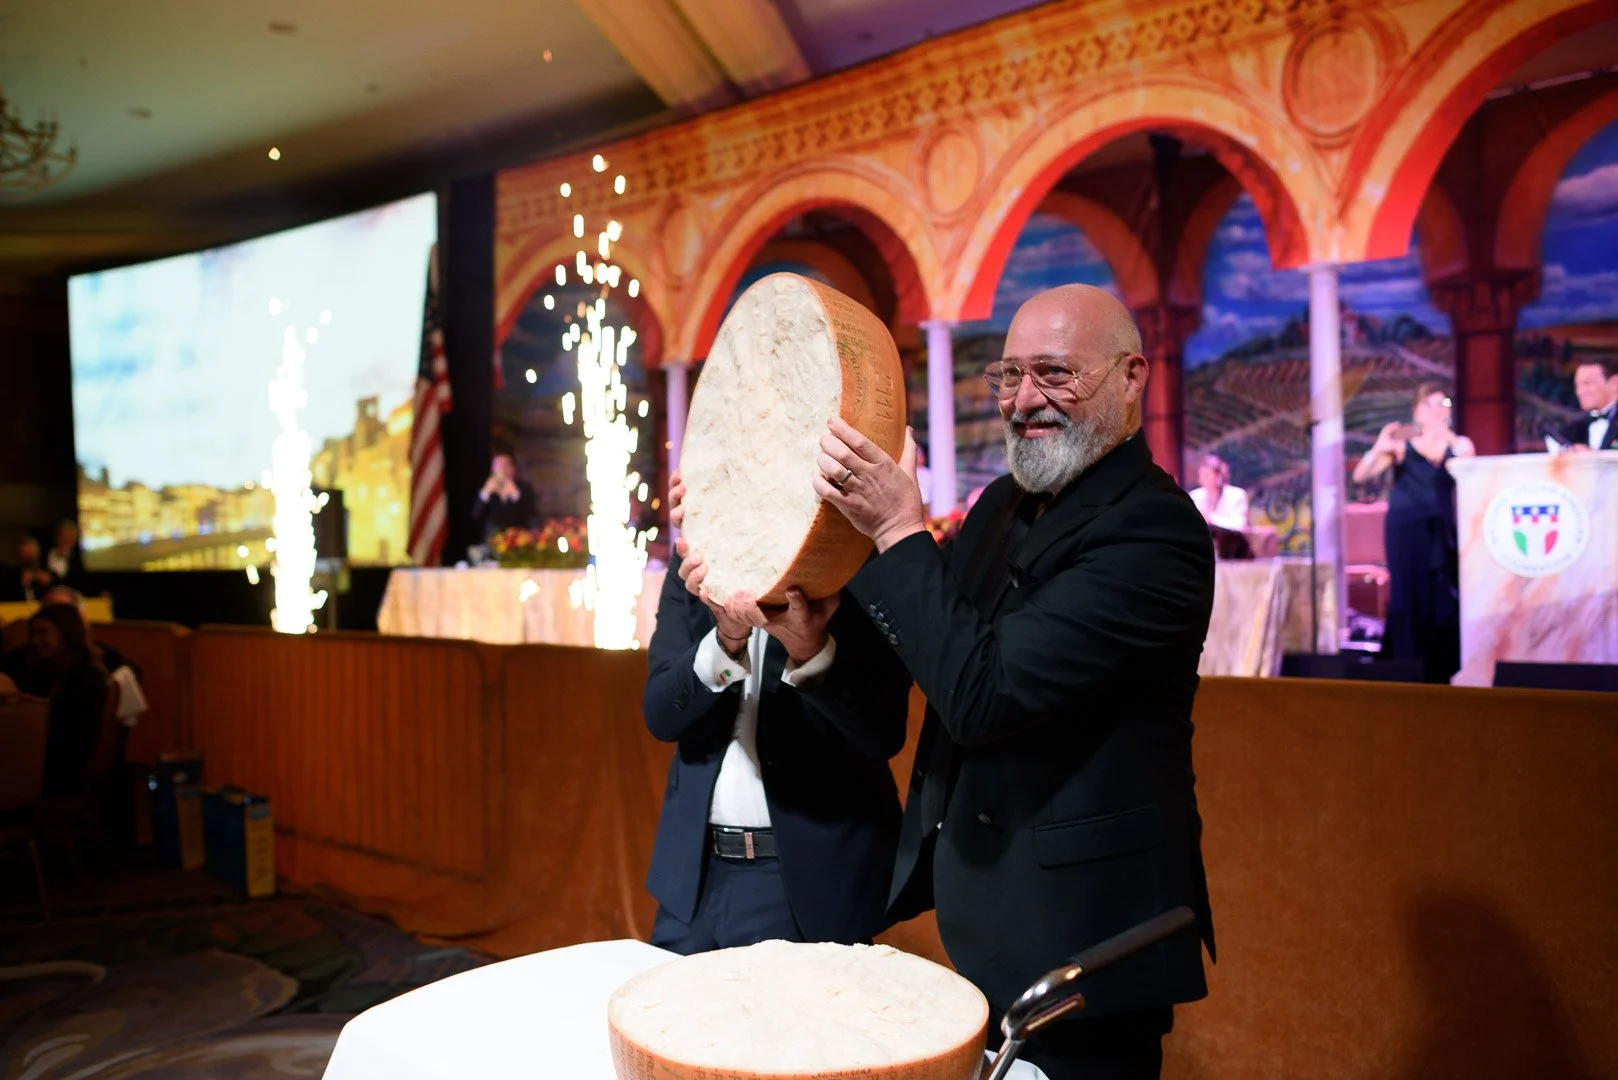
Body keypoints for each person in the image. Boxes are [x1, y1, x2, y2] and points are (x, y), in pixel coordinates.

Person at [809, 284, 1216, 1080]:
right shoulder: (1000, 505)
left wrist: (897, 528)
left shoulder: (1157, 531)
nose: (1024, 400)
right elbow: (924, 656)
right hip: (986, 925)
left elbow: (981, 697)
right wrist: (809, 644)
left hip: (1086, 949)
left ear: (1133, 377)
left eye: (1056, 374)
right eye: (1008, 375)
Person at [641, 470, 913, 953]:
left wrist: (809, 649)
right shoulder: (699, 565)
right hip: (693, 882)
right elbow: (661, 715)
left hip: (809, 884)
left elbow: (883, 731)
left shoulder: (856, 558)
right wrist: (726, 641)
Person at [1352, 383, 1475, 683]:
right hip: (1405, 529)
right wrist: (1379, 446)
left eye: (1442, 403)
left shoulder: (1459, 443)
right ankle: (1407, 663)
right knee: (1407, 592)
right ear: (1416, 410)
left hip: (1441, 530)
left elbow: (1470, 465)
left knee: (1442, 593)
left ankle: (1440, 667)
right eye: (1429, 405)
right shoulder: (1400, 445)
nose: (1436, 410)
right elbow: (1361, 475)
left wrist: (1444, 433)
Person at [1, 603, 109, 799]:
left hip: (60, 772)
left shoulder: (86, 677)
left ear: (66, 635)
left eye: (43, 633)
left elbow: (75, 738)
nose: (35, 641)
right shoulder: (31, 666)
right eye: (32, 634)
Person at [469, 452, 536, 542]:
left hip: (518, 540)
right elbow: (476, 515)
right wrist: (486, 493)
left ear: (512, 468)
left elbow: (531, 515)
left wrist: (515, 494)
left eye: (505, 465)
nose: (501, 470)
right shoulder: (485, 488)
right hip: (493, 541)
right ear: (493, 469)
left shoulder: (524, 488)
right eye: (498, 466)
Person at [1559, 357, 1618, 451]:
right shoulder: (1573, 428)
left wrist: (1594, 458)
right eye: (1577, 385)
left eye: (1588, 384)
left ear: (1615, 383)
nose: (1580, 392)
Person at [1187, 453, 1248, 531]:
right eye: (1200, 475)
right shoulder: (1195, 496)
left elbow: (1239, 525)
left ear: (1219, 476)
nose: (1201, 480)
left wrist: (1211, 518)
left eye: (1206, 475)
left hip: (1228, 541)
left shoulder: (1237, 495)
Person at [1, 537, 56, 602]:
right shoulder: (10, 575)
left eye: (32, 553)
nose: (29, 558)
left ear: (38, 553)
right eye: (25, 554)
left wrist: (49, 583)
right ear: (19, 554)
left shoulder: (50, 574)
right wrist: (20, 584)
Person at [45, 520, 91, 593]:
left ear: (75, 541)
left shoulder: (80, 562)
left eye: (69, 538)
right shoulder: (43, 556)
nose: (65, 541)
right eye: (63, 537)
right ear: (56, 537)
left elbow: (86, 585)